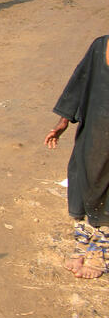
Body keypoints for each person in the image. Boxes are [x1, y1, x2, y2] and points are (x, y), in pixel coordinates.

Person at [44, 35, 109, 279]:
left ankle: (101, 247)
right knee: (83, 172)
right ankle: (84, 239)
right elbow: (78, 84)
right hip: (94, 129)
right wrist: (63, 122)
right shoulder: (99, 47)